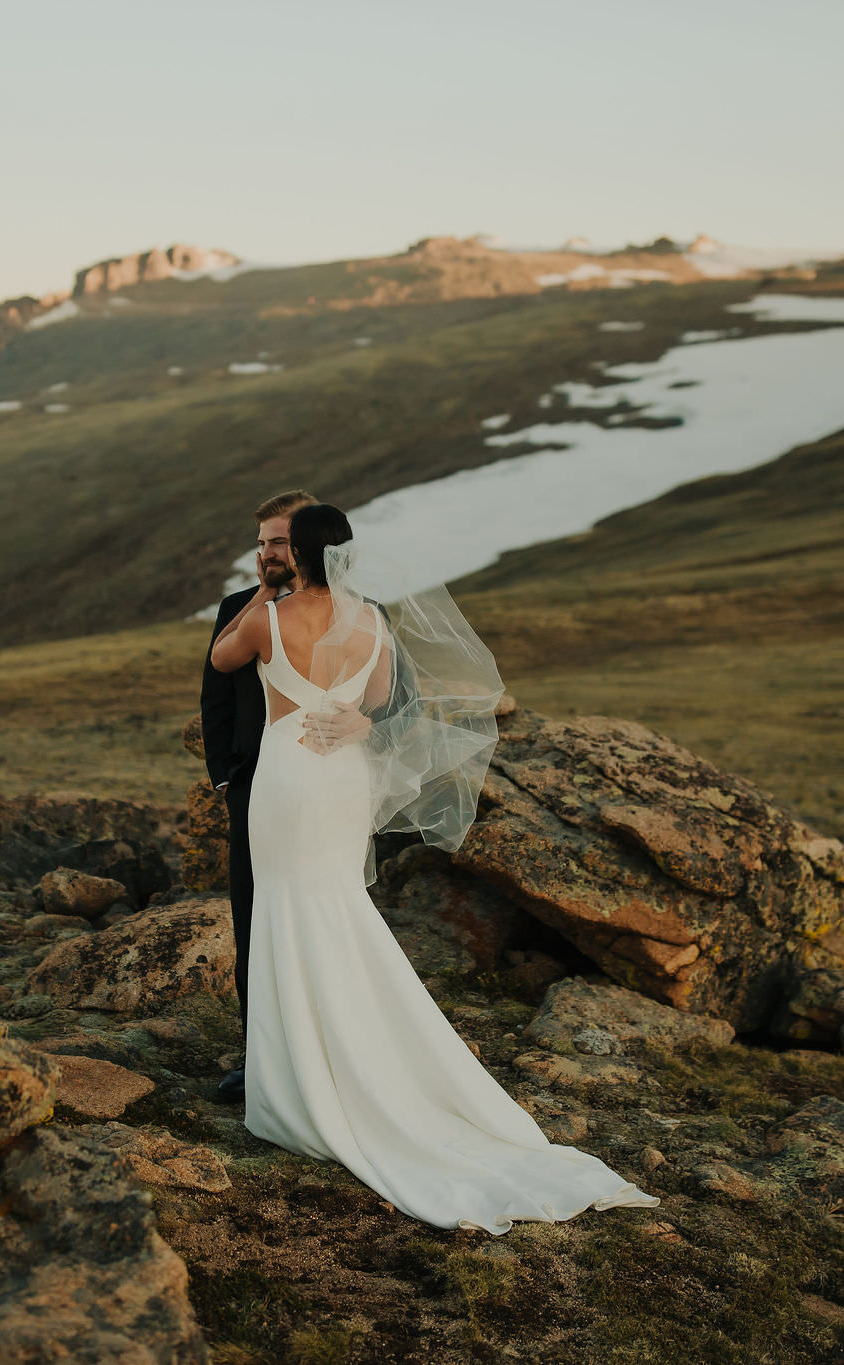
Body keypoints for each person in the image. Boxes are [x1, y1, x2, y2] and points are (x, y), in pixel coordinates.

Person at [207, 502, 660, 1235]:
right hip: (344, 778)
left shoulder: (266, 616)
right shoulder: (373, 623)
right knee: (339, 910)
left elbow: (224, 656)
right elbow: (389, 702)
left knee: (288, 911)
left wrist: (266, 590)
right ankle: (362, 1062)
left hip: (290, 780)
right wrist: (353, 718)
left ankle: (299, 1079)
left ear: (297, 555)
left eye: (279, 549)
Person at [200, 489, 319, 1102]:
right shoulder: (237, 607)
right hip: (255, 788)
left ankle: (326, 1049)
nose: (264, 553)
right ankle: (260, 1060)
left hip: (327, 791)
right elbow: (215, 695)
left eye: (276, 542)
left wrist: (363, 726)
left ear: (306, 545)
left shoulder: (359, 611)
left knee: (319, 917)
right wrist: (225, 777)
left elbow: (392, 697)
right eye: (261, 542)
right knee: (254, 920)